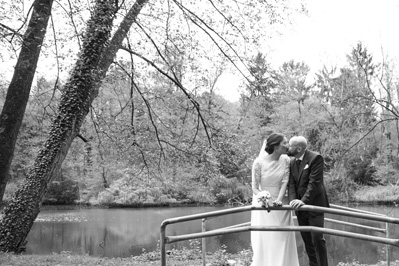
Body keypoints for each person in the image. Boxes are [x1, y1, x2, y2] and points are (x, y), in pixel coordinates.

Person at [251, 133, 300, 266]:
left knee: (283, 237)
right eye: (284, 143)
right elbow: (255, 187)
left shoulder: (286, 160)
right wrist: (263, 198)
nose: (287, 145)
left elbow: (285, 182)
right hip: (264, 205)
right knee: (268, 237)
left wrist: (278, 200)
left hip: (280, 205)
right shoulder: (258, 163)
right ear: (275, 146)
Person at [287, 136, 330, 266]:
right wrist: (293, 200)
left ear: (299, 148)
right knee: (307, 240)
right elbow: (292, 183)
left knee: (317, 239)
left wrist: (303, 201)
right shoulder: (292, 161)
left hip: (315, 206)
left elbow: (314, 183)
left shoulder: (315, 158)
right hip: (300, 208)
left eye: (290, 146)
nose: (288, 148)